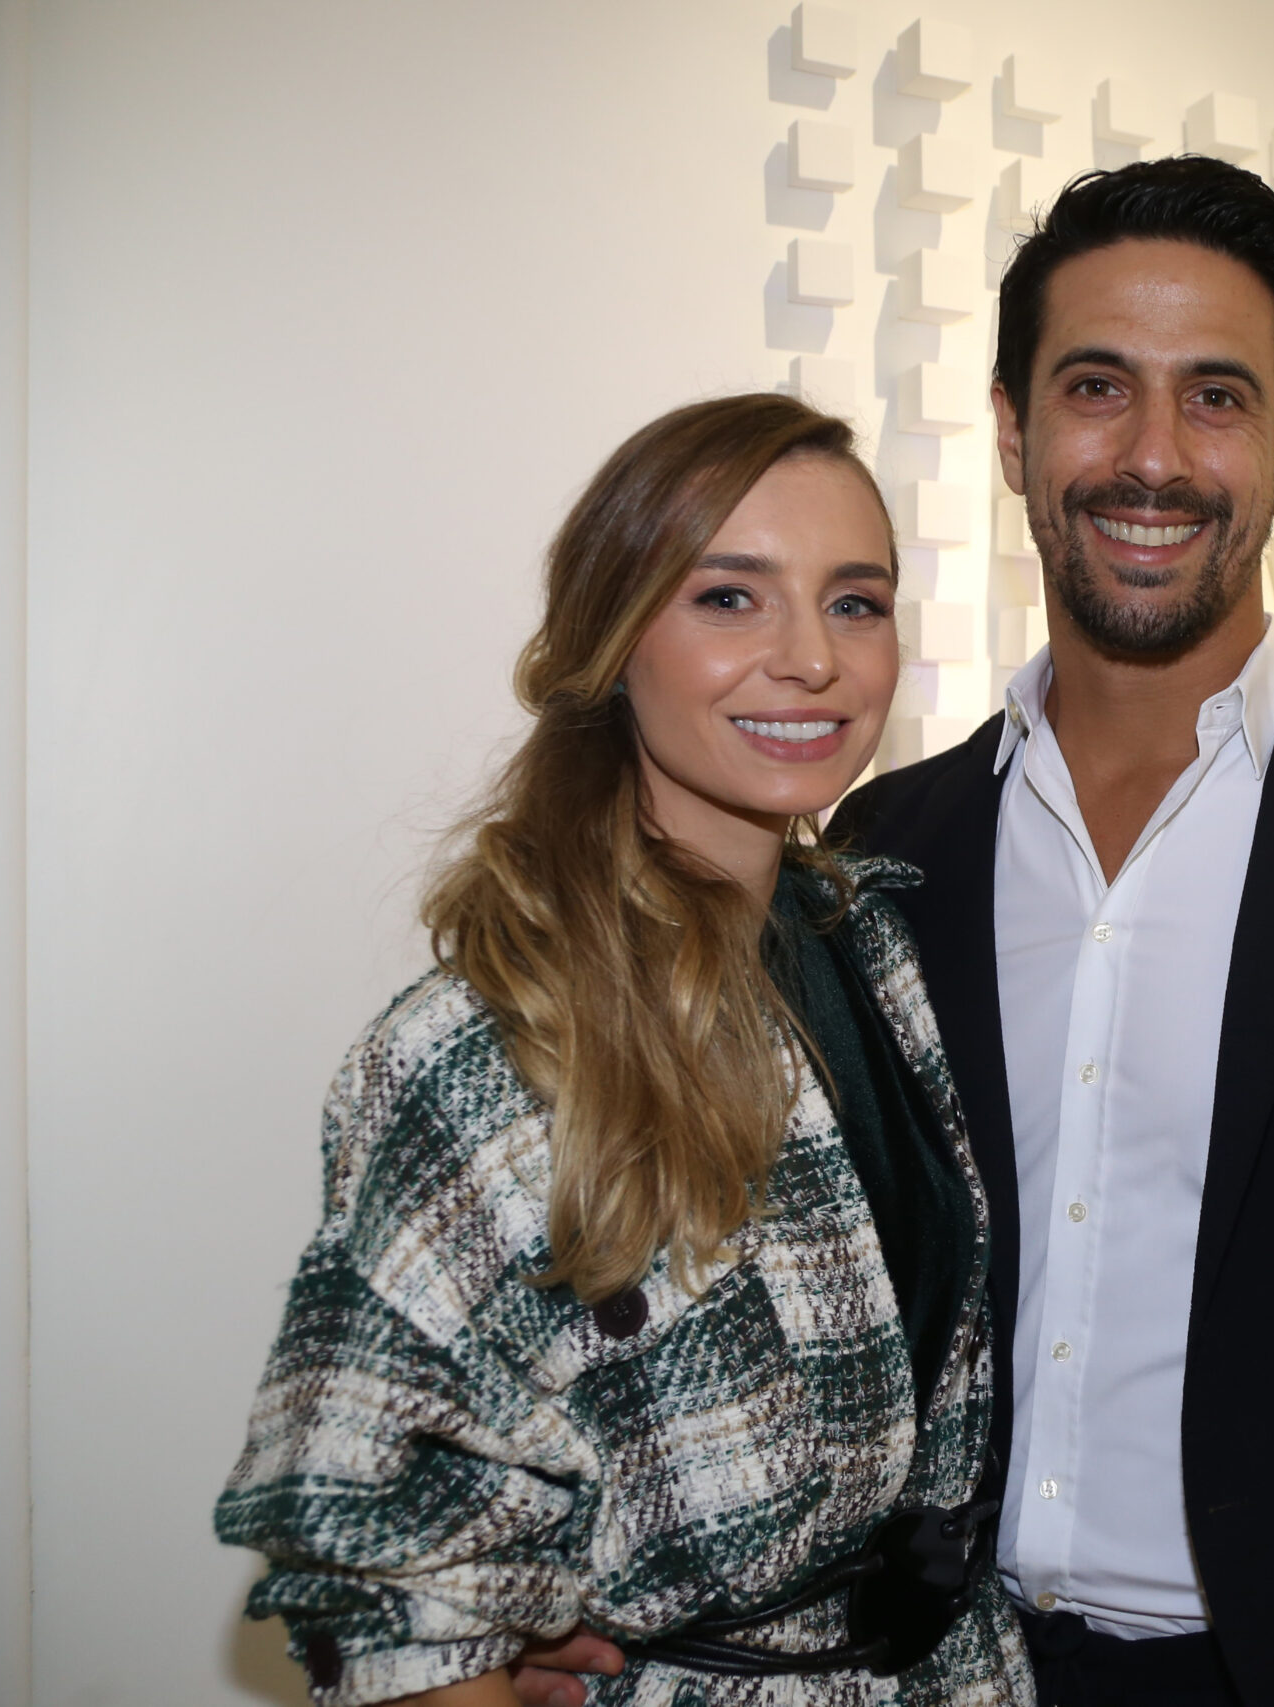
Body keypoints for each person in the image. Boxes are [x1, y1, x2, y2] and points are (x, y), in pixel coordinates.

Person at [522, 156, 1274, 1707]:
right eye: (1097, 388)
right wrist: (581, 1584)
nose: (1152, 456)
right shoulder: (878, 858)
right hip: (935, 1677)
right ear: (1014, 433)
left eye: (1216, 398)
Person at [215, 394, 1033, 1706]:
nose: (811, 658)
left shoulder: (878, 953)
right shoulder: (485, 1055)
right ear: (613, 638)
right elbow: (399, 1607)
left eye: (856, 602)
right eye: (729, 598)